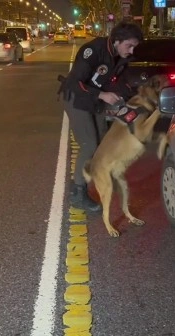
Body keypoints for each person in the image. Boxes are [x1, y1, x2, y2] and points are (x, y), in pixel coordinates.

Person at [58, 21, 144, 212]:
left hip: (94, 100)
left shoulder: (120, 57)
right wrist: (102, 95)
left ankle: (95, 177)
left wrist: (133, 98)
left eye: (134, 47)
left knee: (101, 140)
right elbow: (74, 82)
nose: (131, 51)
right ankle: (77, 194)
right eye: (128, 45)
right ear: (116, 40)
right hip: (76, 98)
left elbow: (119, 82)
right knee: (89, 144)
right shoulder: (93, 50)